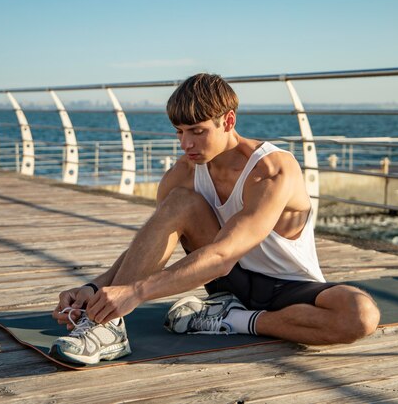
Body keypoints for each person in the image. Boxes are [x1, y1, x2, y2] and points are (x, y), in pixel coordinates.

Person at [50, 73, 380, 365]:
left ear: (228, 121)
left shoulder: (270, 170)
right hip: (228, 282)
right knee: (179, 202)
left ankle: (234, 320)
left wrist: (135, 292)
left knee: (360, 316)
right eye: (179, 132)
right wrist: (95, 287)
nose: (187, 144)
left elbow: (223, 255)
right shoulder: (182, 174)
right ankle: (107, 329)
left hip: (288, 286)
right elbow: (151, 245)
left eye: (197, 131)